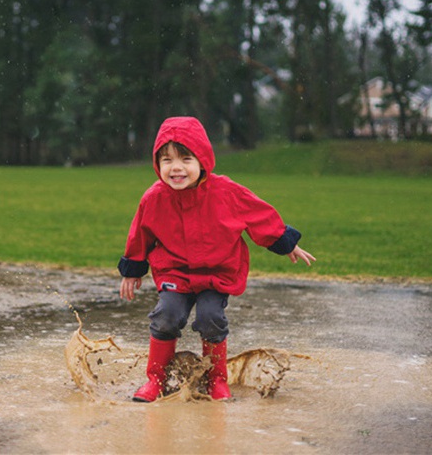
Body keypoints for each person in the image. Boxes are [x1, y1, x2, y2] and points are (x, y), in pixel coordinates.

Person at [118, 116, 315, 402]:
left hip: (216, 272)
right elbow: (139, 235)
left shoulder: (226, 192)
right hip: (175, 272)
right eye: (167, 160)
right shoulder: (153, 198)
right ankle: (156, 380)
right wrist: (132, 270)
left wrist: (285, 243)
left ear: (203, 161)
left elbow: (258, 216)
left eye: (186, 158)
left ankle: (216, 380)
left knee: (211, 318)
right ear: (157, 164)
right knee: (166, 317)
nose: (176, 168)